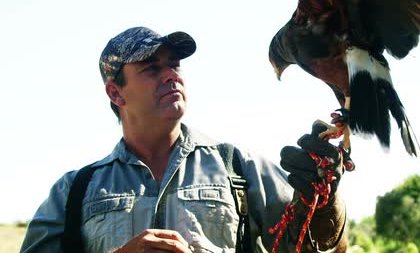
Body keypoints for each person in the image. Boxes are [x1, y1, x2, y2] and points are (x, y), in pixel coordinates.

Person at [20, 27, 347, 252]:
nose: (170, 74)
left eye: (174, 64)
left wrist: (324, 205)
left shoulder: (239, 168)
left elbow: (315, 247)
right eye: (151, 68)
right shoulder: (74, 191)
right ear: (115, 92)